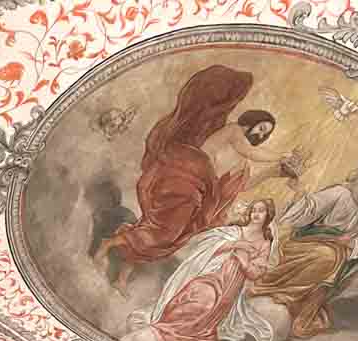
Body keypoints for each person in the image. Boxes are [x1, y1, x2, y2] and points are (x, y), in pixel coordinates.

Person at [94, 65, 302, 292]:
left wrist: (275, 173)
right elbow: (251, 151)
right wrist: (282, 155)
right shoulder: (234, 132)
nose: (261, 135)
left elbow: (241, 186)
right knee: (163, 232)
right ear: (250, 122)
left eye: (265, 134)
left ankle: (122, 278)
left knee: (165, 237)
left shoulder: (243, 162)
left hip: (198, 193)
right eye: (261, 128)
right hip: (186, 178)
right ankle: (107, 246)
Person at [246, 155, 358, 337]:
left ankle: (301, 315)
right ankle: (276, 289)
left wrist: (352, 242)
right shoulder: (342, 192)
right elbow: (312, 207)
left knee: (334, 260)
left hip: (340, 249)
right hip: (309, 241)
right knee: (328, 257)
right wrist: (299, 193)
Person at [138, 198, 277, 341]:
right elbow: (207, 246)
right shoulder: (233, 231)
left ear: (268, 215)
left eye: (261, 211)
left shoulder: (264, 243)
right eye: (254, 210)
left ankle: (191, 336)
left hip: (232, 285)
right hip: (213, 272)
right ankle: (168, 326)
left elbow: (256, 273)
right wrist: (234, 244)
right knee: (201, 297)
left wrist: (244, 261)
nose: (256, 214)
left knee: (213, 311)